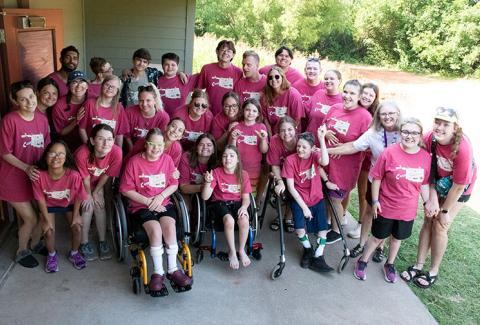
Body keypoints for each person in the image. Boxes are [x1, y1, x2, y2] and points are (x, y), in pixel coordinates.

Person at [401, 107, 477, 289]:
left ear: (455, 127)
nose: (440, 127)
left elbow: (459, 186)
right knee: (428, 219)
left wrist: (444, 210)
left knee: (441, 225)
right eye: (437, 122)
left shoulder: (462, 149)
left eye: (446, 124)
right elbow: (428, 170)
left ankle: (433, 271)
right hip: (438, 183)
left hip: (459, 189)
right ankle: (418, 266)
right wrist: (432, 198)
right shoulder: (429, 138)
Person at [354, 118, 431, 283]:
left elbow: (424, 183)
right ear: (400, 133)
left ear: (420, 135)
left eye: (414, 132)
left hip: (407, 210)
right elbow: (376, 178)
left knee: (397, 239)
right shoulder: (389, 152)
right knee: (377, 237)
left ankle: (389, 264)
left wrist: (427, 202)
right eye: (406, 132)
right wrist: (375, 201)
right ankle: (362, 261)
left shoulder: (425, 157)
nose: (410, 136)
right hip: (386, 206)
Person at [121, 128, 193, 294]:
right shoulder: (134, 162)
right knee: (155, 229)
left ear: (163, 146)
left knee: (169, 226)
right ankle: (158, 272)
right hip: (141, 205)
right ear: (146, 145)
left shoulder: (167, 160)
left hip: (163, 203)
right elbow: (125, 190)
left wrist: (160, 197)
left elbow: (174, 184)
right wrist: (148, 201)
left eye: (160, 145)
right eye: (152, 144)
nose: (156, 148)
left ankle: (173, 269)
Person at [328, 101, 402, 259]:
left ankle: (380, 247)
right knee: (369, 211)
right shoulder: (373, 133)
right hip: (375, 180)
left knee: (387, 215)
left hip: (396, 183)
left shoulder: (405, 132)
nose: (387, 117)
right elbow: (353, 146)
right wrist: (326, 150)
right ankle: (361, 244)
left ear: (398, 114)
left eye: (391, 113)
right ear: (378, 116)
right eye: (383, 114)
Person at [0, 81, 51, 268]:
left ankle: (36, 244)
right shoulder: (10, 120)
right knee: (31, 218)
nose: (29, 102)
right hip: (13, 178)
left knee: (42, 215)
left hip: (36, 177)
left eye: (31, 96)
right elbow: (5, 152)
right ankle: (21, 251)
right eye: (23, 99)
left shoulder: (42, 119)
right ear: (15, 101)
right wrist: (26, 168)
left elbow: (47, 147)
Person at [323, 80, 373, 244]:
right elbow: (323, 127)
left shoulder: (364, 117)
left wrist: (343, 147)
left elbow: (366, 144)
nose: (347, 96)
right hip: (327, 161)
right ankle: (327, 222)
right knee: (325, 194)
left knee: (336, 198)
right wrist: (326, 132)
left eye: (352, 93)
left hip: (346, 167)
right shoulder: (335, 108)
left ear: (359, 97)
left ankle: (336, 231)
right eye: (345, 92)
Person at [33, 140, 88, 272]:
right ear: (46, 156)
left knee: (77, 228)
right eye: (52, 153)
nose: (56, 157)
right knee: (48, 230)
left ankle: (74, 253)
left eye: (61, 154)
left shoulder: (73, 175)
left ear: (66, 157)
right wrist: (46, 220)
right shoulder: (39, 176)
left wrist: (76, 216)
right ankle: (51, 255)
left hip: (68, 204)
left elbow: (80, 196)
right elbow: (40, 200)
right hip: (48, 205)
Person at [282, 129, 333, 272]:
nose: (300, 149)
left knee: (322, 229)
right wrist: (304, 207)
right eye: (299, 146)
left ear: (312, 149)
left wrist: (322, 139)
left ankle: (319, 255)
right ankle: (308, 249)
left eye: (304, 147)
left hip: (316, 198)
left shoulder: (315, 156)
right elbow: (291, 188)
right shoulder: (290, 160)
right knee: (299, 229)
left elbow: (325, 161)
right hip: (300, 199)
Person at [75, 124, 122, 261]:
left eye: (109, 139)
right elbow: (85, 178)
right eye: (101, 139)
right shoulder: (82, 153)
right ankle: (83, 243)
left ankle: (102, 241)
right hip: (80, 181)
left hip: (97, 182)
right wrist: (89, 195)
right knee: (88, 205)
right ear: (92, 140)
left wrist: (96, 192)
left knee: (99, 203)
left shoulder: (116, 152)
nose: (106, 143)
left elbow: (107, 174)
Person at [202, 145, 253, 270]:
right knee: (229, 220)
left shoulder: (243, 174)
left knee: (244, 219)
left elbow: (246, 198)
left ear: (237, 159)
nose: (228, 159)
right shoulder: (216, 172)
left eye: (231, 156)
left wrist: (245, 207)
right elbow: (205, 197)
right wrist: (208, 183)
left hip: (237, 203)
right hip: (219, 203)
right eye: (225, 156)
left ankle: (241, 250)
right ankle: (232, 251)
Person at [349, 83, 381, 240]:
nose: (366, 97)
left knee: (363, 192)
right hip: (351, 153)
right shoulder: (352, 107)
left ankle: (361, 223)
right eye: (365, 93)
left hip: (367, 158)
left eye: (371, 95)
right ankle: (341, 215)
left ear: (375, 98)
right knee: (346, 187)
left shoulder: (376, 115)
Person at [229, 99, 269, 203]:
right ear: (243, 111)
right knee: (237, 192)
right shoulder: (237, 127)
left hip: (254, 168)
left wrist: (264, 139)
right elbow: (231, 150)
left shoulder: (261, 127)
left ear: (258, 113)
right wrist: (233, 139)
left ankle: (250, 214)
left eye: (254, 111)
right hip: (238, 167)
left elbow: (264, 150)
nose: (250, 113)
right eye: (248, 110)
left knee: (250, 194)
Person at [266, 116, 298, 232]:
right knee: (282, 189)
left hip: (296, 174)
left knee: (295, 188)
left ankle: (288, 217)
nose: (287, 133)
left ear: (295, 128)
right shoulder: (275, 140)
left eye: (289, 129)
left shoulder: (301, 140)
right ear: (278, 132)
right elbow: (274, 165)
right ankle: (279, 216)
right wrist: (279, 181)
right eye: (283, 130)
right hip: (279, 172)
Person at [78, 75, 128, 147]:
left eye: (113, 87)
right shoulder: (89, 103)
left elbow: (119, 134)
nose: (110, 88)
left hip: (109, 149)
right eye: (107, 84)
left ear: (117, 91)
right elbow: (82, 129)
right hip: (91, 146)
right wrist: (89, 147)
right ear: (102, 86)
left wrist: (118, 152)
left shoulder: (119, 108)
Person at [196, 40, 243, 116]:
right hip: (208, 112)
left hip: (229, 114)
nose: (225, 53)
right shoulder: (207, 69)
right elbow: (199, 90)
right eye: (223, 50)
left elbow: (239, 96)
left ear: (233, 54)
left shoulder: (238, 72)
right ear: (217, 51)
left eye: (229, 51)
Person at [178, 133, 218, 211]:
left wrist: (206, 189)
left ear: (213, 149)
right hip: (188, 192)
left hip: (209, 194)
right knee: (186, 207)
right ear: (196, 148)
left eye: (209, 145)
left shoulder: (217, 163)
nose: (205, 147)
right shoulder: (186, 158)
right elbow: (183, 187)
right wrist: (204, 187)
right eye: (201, 144)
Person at [52, 71, 89, 152]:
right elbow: (61, 132)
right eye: (74, 82)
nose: (78, 86)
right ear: (68, 86)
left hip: (90, 143)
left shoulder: (92, 101)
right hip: (68, 146)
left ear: (87, 86)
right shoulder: (59, 105)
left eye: (82, 82)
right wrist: (76, 120)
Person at [125, 84, 169, 150]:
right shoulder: (129, 112)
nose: (144, 104)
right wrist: (132, 150)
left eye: (148, 100)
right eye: (141, 101)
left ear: (154, 101)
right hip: (131, 148)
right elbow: (126, 135)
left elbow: (161, 140)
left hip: (153, 150)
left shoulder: (163, 117)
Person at [261, 67, 304, 136]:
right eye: (270, 77)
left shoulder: (293, 94)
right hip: (274, 135)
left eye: (277, 77)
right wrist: (271, 136)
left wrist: (287, 134)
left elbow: (297, 118)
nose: (274, 79)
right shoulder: (265, 95)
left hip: (291, 134)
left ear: (282, 78)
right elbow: (265, 119)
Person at [157, 52, 198, 117]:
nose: (170, 67)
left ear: (177, 66)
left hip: (179, 119)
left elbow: (204, 75)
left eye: (173, 65)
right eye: (166, 64)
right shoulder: (156, 80)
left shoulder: (185, 80)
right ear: (162, 66)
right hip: (161, 118)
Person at [305, 70, 343, 139]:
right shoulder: (319, 93)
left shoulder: (343, 100)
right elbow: (305, 109)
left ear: (339, 81)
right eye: (326, 79)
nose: (328, 81)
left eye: (332, 79)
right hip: (309, 140)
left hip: (326, 145)